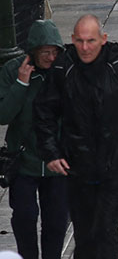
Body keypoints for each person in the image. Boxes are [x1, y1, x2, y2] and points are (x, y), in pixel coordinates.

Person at [33, 15, 118, 259]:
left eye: (91, 41)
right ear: (73, 40)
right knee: (85, 235)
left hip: (116, 163)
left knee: (106, 232)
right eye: (80, 41)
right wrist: (51, 152)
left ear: (103, 39)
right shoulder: (63, 68)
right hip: (77, 164)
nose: (85, 47)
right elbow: (44, 112)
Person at [0, 20, 69, 259]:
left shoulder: (65, 71)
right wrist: (21, 84)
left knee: (56, 220)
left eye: (54, 52)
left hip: (57, 162)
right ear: (33, 51)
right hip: (23, 161)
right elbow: (3, 115)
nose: (51, 57)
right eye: (45, 52)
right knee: (24, 216)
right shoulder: (13, 70)